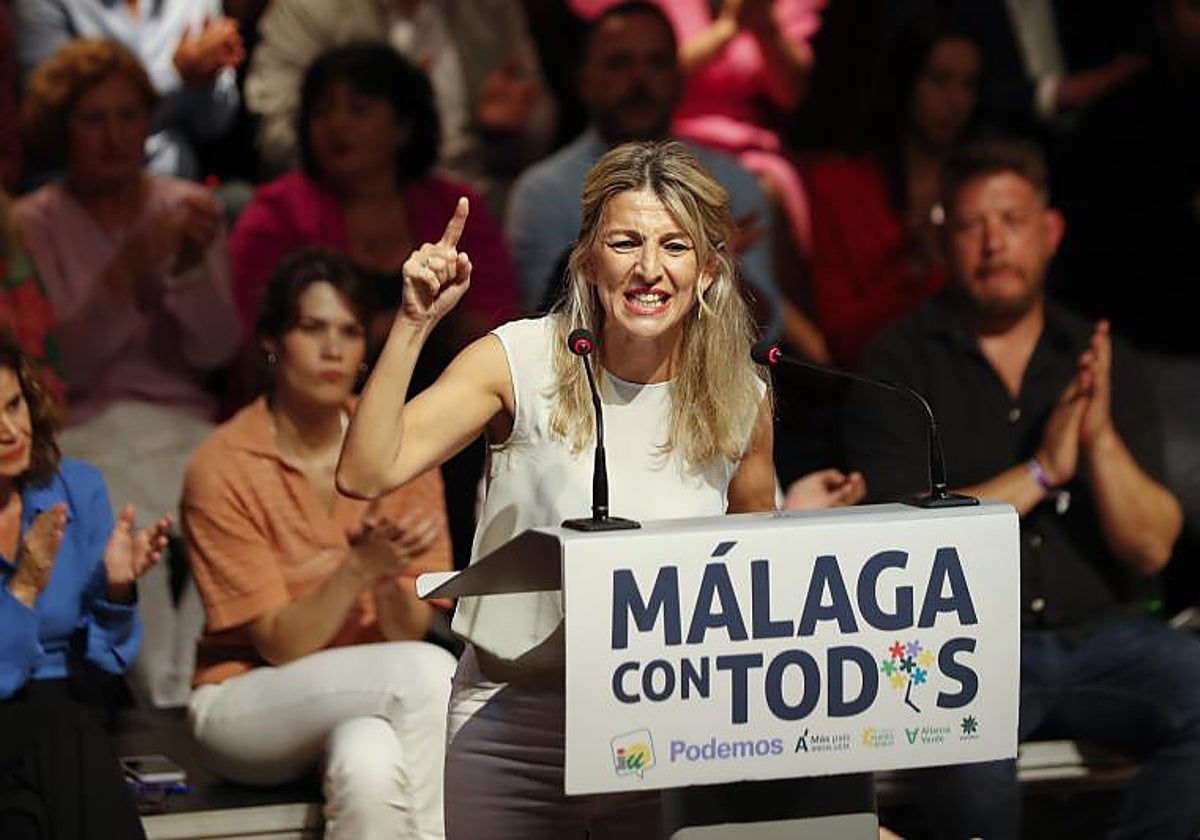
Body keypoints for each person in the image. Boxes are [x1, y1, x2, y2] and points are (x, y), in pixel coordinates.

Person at [338, 139, 862, 838]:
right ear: (588, 257)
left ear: (708, 270)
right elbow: (366, 472)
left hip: (664, 726)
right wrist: (413, 323)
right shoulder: (516, 360)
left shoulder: (743, 394)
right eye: (626, 242)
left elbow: (749, 560)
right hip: (511, 723)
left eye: (675, 246)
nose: (649, 269)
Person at [842, 136, 1200, 839]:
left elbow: (1152, 547)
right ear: (943, 239)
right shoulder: (895, 362)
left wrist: (1095, 439)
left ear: (1050, 231)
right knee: (961, 754)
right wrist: (1041, 472)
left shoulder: (1097, 355)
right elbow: (900, 542)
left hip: (1104, 637)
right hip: (960, 648)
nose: (993, 243)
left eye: (1010, 221)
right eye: (973, 224)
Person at [183, 248, 457, 840]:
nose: (334, 349)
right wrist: (357, 569)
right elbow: (282, 644)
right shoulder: (224, 463)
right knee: (432, 672)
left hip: (367, 693)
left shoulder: (394, 442)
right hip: (246, 699)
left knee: (370, 766)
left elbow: (406, 629)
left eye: (351, 331)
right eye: (313, 328)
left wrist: (386, 576)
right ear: (272, 342)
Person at [14, 38, 242, 707]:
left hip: (184, 420)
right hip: (87, 425)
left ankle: (204, 686)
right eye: (93, 120)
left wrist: (192, 269)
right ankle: (155, 697)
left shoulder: (184, 208)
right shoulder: (33, 224)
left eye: (126, 116)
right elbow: (65, 366)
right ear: (65, 131)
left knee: (225, 500)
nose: (114, 137)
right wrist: (133, 268)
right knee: (116, 520)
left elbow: (216, 347)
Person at [506, 0, 828, 366]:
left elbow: (761, 331)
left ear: (678, 77)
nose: (639, 79)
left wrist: (719, 269)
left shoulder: (731, 182)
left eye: (656, 62)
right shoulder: (542, 192)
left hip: (710, 389)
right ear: (585, 82)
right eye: (619, 63)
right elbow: (547, 330)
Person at [230, 42, 517, 353]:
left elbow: (499, 326)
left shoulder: (455, 208)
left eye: (359, 109)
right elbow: (251, 337)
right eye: (322, 111)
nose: (337, 125)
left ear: (403, 127)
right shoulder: (277, 210)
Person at [0, 330, 170, 839]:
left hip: (61, 715)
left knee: (22, 821)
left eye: (14, 405)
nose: (10, 430)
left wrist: (117, 592)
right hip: (43, 723)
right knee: (66, 728)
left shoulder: (74, 487)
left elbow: (103, 662)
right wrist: (26, 585)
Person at [244, 0, 554, 212]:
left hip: (475, 192)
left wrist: (503, 133)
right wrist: (359, 162)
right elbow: (275, 133)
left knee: (543, 199)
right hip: (347, 199)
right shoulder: (308, 9)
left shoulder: (490, 7)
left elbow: (541, 122)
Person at [805, 15, 981, 367]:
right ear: (907, 81)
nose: (955, 100)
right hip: (874, 384)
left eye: (969, 85)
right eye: (939, 80)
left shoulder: (983, 189)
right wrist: (913, 273)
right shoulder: (842, 187)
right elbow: (839, 338)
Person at [14, 0, 244, 180]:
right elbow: (49, 128)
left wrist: (208, 75)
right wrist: (176, 76)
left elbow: (214, 125)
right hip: (79, 192)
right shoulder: (46, 4)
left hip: (173, 184)